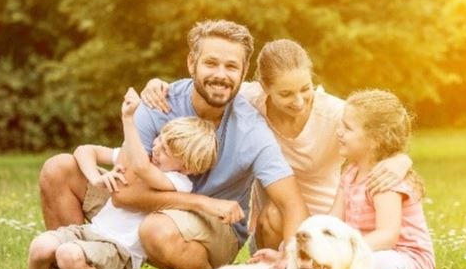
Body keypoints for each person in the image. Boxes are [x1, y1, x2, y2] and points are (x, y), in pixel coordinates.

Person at [39, 20, 308, 269]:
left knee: (156, 229)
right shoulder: (159, 103)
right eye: (211, 63)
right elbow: (123, 195)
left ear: (244, 71)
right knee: (58, 169)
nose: (221, 74)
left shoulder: (251, 129)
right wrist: (200, 202)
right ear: (192, 63)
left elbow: (292, 204)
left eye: (231, 66)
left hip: (210, 227)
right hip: (150, 206)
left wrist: (289, 257)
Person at [140, 39, 411, 257]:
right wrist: (156, 84)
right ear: (264, 87)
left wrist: (401, 160)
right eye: (285, 94)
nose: (299, 101)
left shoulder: (335, 115)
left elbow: (383, 131)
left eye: (305, 89)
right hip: (274, 225)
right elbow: (209, 85)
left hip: (331, 218)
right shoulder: (249, 100)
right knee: (274, 212)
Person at [18, 90, 217, 269]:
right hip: (92, 233)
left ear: (187, 167)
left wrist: (129, 120)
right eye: (159, 139)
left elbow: (143, 169)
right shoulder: (145, 156)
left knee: (67, 254)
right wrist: (96, 177)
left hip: (119, 252)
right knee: (40, 246)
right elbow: (84, 150)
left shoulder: (179, 183)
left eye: (165, 150)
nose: (155, 147)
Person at [331, 89, 435, 269]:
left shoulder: (385, 179)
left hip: (403, 260)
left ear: (374, 139)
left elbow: (388, 236)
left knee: (380, 267)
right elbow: (332, 222)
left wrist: (346, 254)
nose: (339, 132)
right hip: (365, 252)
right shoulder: (349, 173)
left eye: (347, 128)